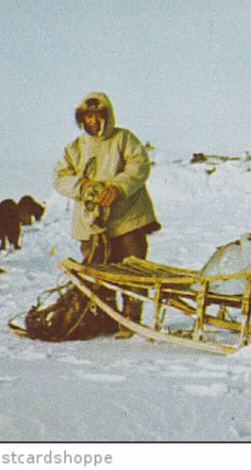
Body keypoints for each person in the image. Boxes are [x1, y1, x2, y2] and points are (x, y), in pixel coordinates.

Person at [54, 92, 161, 338]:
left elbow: (139, 166)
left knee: (133, 269)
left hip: (128, 219)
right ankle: (106, 317)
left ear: (107, 116)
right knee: (98, 272)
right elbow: (60, 177)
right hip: (93, 222)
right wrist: (81, 186)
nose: (92, 121)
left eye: (97, 116)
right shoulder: (75, 148)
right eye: (88, 116)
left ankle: (131, 319)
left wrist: (118, 187)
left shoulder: (124, 139)